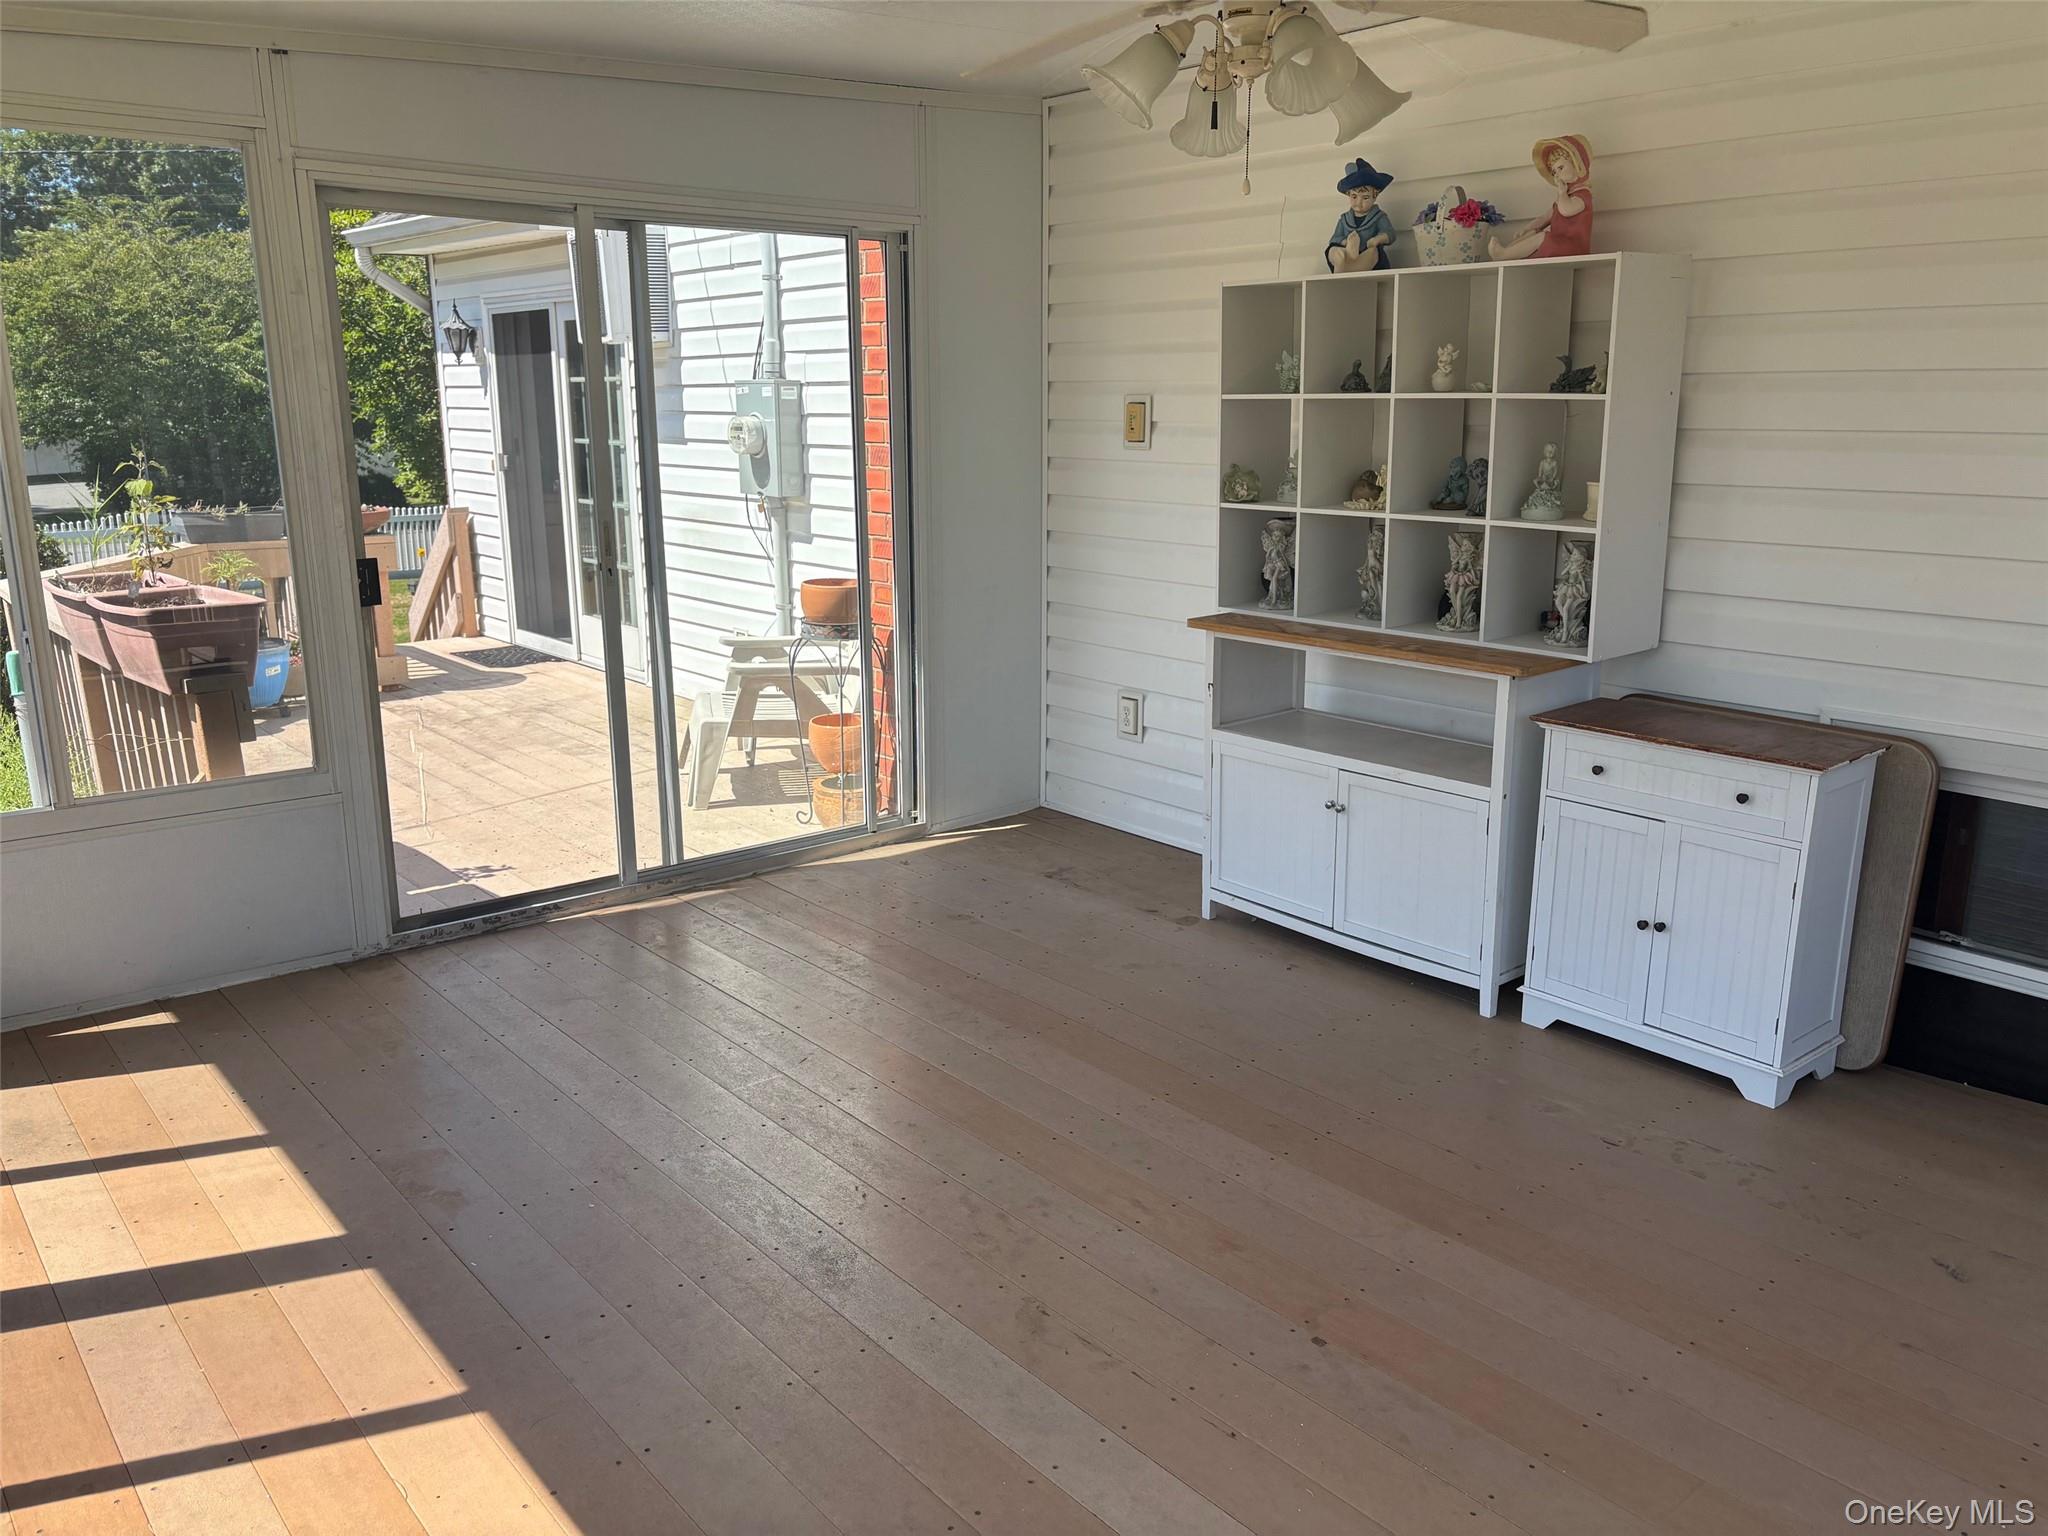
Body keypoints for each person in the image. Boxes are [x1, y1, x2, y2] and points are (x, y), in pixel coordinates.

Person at [1488, 135, 1593, 262]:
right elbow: (1545, 218)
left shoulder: (1583, 195)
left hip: (1574, 248)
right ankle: (1505, 253)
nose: (1557, 174)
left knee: (1542, 237)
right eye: (1554, 172)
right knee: (1533, 234)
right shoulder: (1564, 197)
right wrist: (1527, 228)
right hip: (1559, 243)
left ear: (1577, 164)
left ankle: (1503, 254)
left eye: (1560, 168)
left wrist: (1562, 193)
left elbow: (1566, 210)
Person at [1327, 159, 1395, 273]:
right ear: (1348, 195)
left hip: (1366, 256)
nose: (1358, 203)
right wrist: (1345, 242)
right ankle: (1343, 259)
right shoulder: (1344, 219)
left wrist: (1377, 239)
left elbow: (1390, 234)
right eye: (1354, 197)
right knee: (1333, 250)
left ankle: (1349, 269)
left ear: (1375, 196)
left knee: (1373, 252)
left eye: (1365, 198)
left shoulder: (1379, 217)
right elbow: (1335, 238)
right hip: (1347, 255)